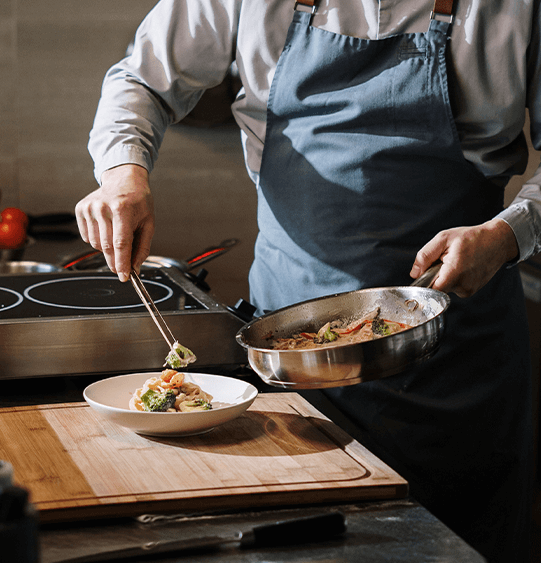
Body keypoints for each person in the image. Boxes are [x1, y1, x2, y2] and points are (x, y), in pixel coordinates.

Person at [75, 1, 539, 561]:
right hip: (290, 359)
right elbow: (143, 78)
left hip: (455, 361)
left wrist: (510, 233)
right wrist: (124, 173)